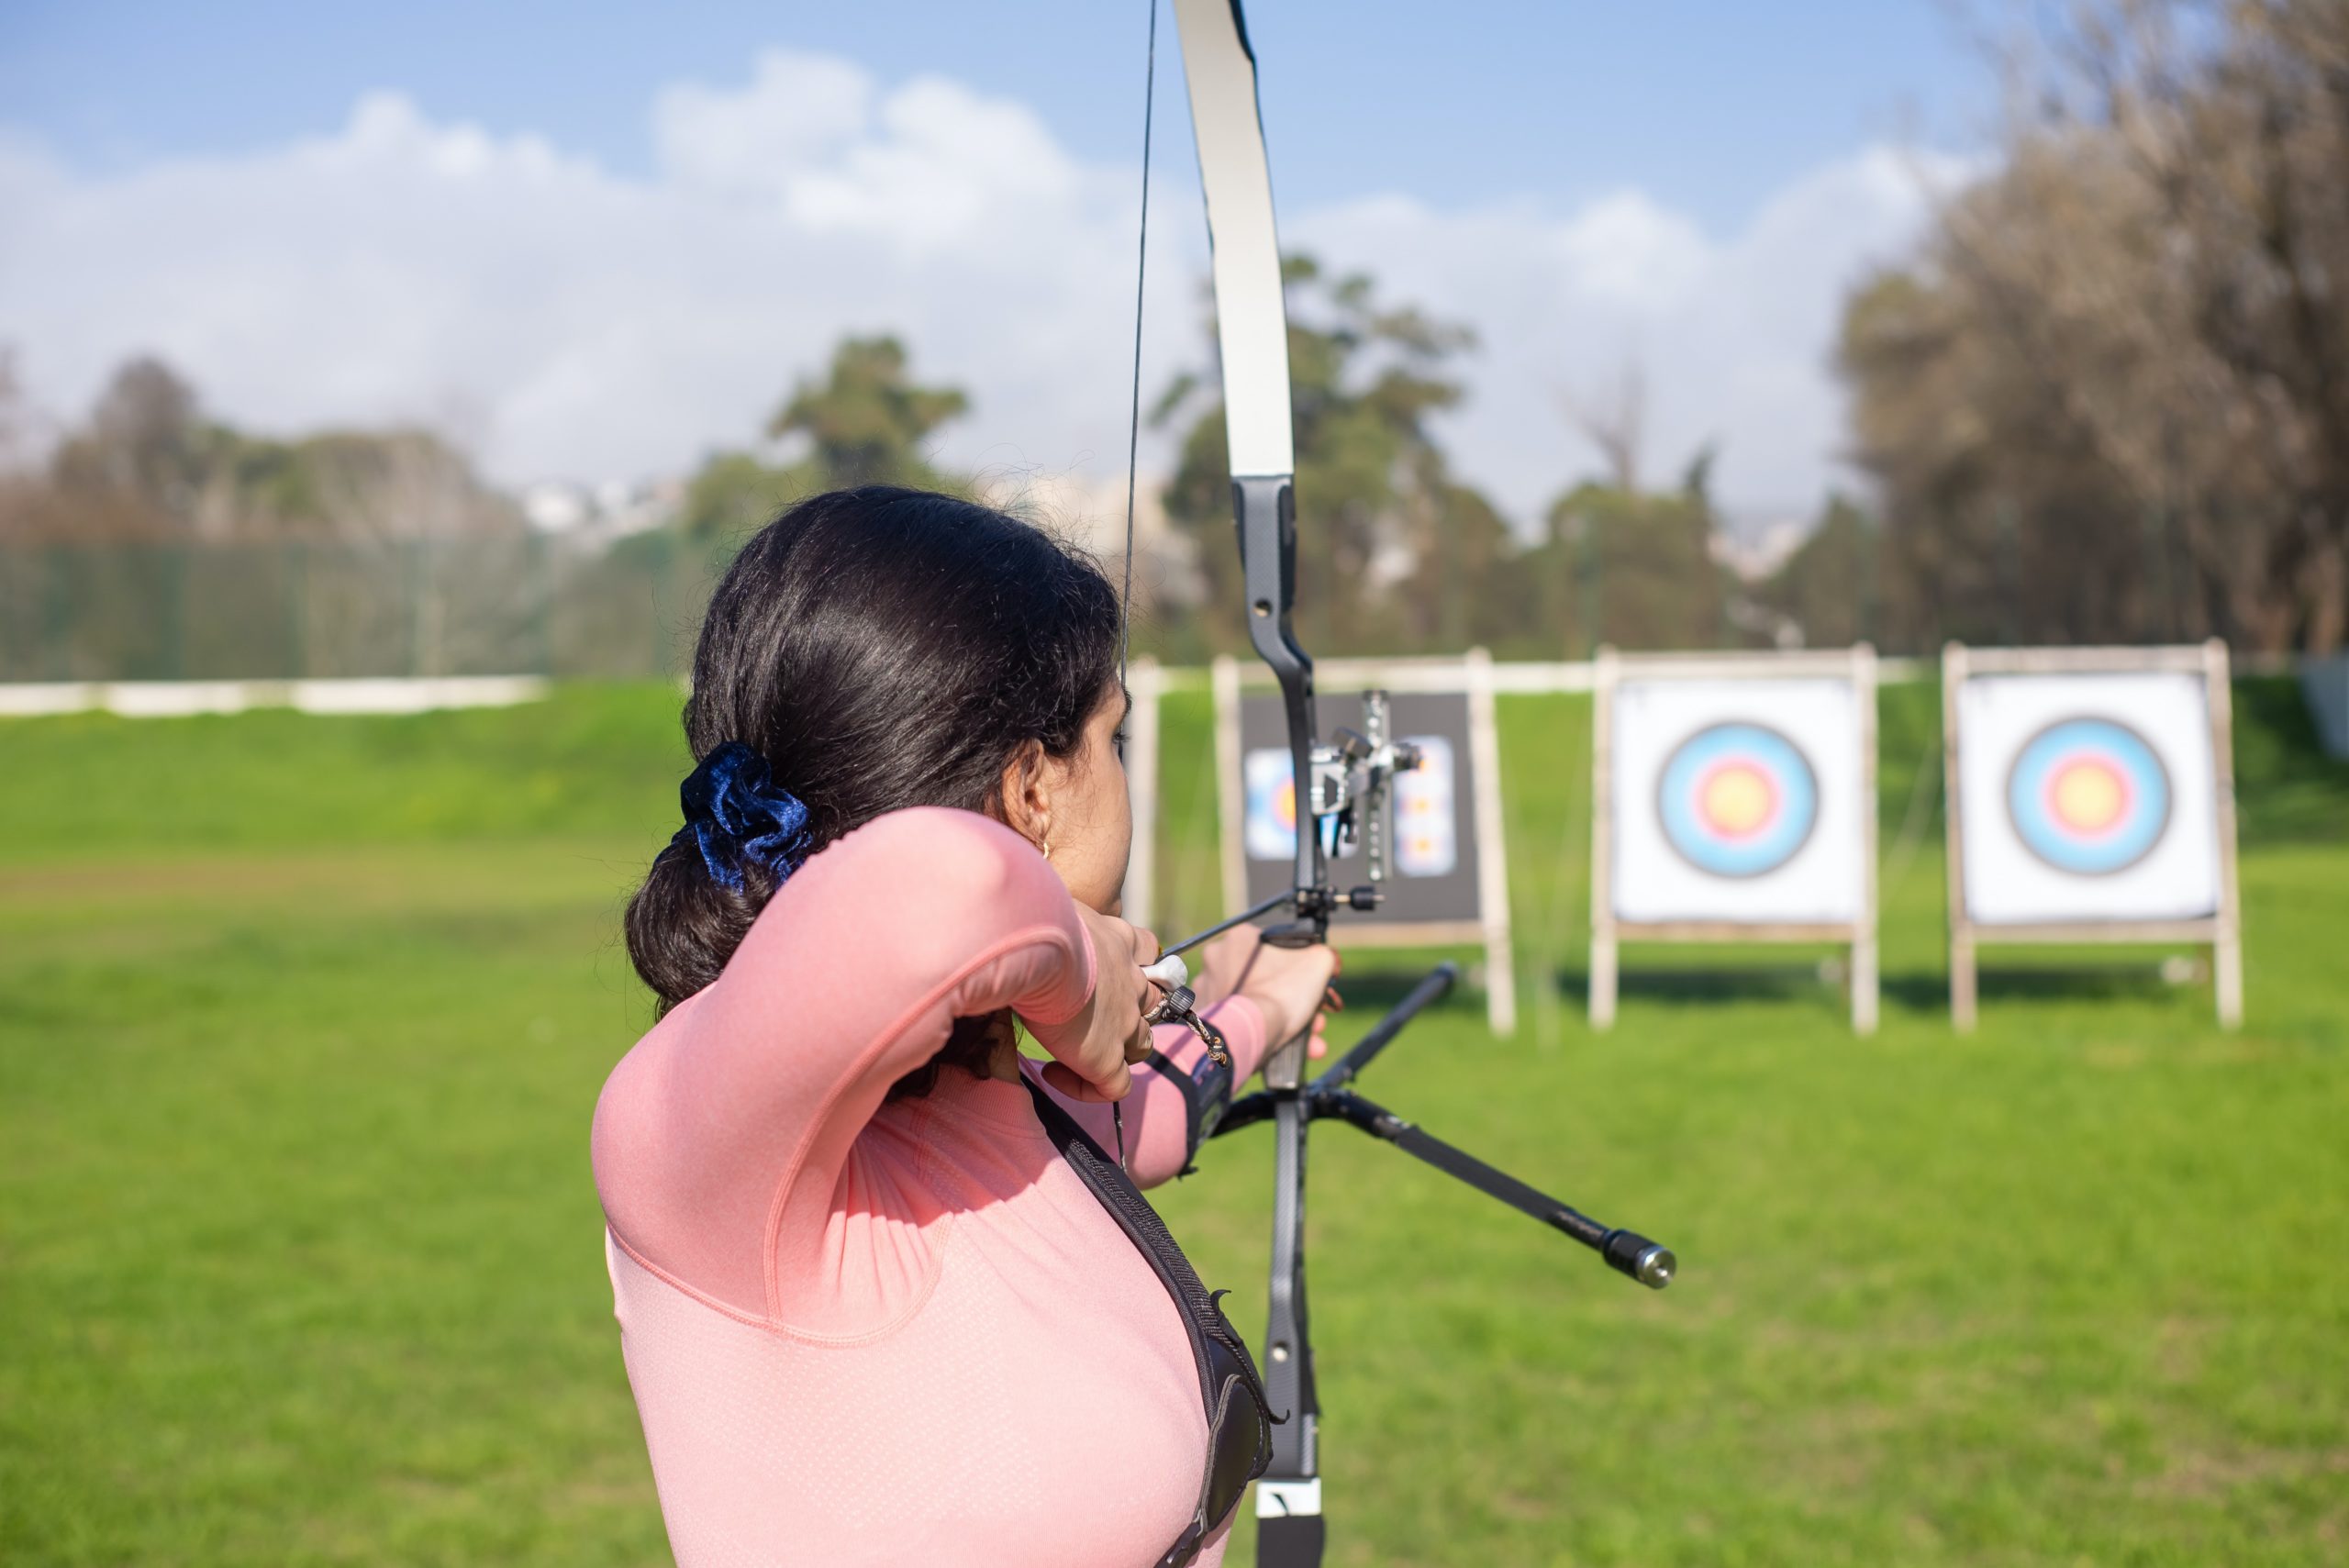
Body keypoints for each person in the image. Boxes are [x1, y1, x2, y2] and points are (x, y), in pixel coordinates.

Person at [594, 486, 1340, 1566]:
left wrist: (1262, 1000)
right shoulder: (695, 1157)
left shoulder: (1000, 1116)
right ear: (1032, 787)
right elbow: (930, 888)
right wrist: (1083, 980)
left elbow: (1133, 1122)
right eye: (1112, 734)